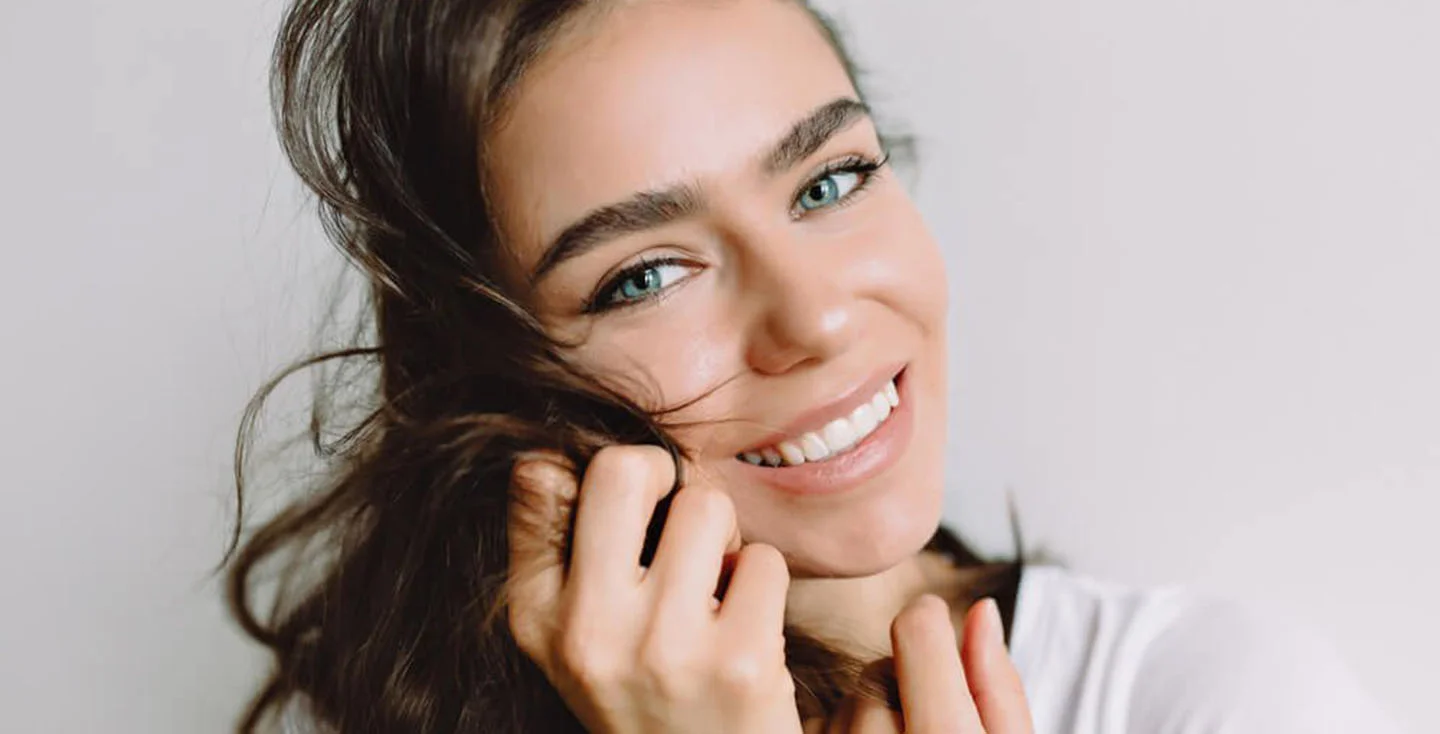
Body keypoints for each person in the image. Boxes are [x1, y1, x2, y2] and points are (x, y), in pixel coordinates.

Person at [226, 1, 1402, 732]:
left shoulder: (1212, 700)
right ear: (496, 381)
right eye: (646, 273)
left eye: (828, 182)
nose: (818, 318)